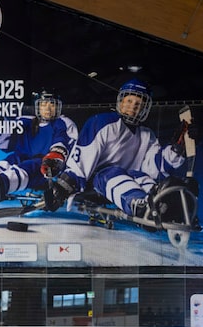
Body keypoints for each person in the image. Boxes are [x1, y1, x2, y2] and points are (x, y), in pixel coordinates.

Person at [52, 78, 191, 221]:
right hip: (95, 183)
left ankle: (163, 203)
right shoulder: (101, 122)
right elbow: (82, 159)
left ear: (145, 108)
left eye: (139, 104)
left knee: (140, 176)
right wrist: (64, 185)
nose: (133, 107)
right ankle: (139, 205)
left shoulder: (147, 134)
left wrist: (176, 149)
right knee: (112, 172)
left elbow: (154, 166)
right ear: (121, 102)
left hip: (126, 181)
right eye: (129, 101)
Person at [0, 89, 78, 202]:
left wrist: (55, 157)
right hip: (22, 158)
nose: (48, 108)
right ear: (37, 105)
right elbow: (3, 140)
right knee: (7, 162)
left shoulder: (63, 123)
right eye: (44, 103)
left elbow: (63, 143)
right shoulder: (25, 121)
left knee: (28, 167)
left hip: (45, 168)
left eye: (52, 103)